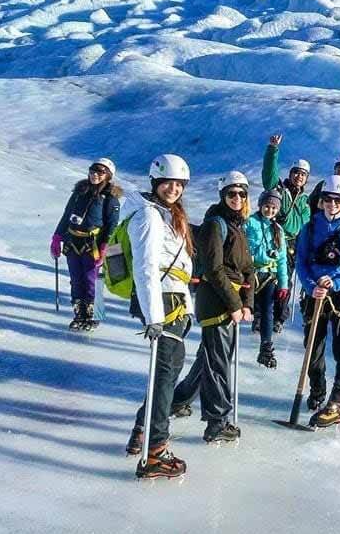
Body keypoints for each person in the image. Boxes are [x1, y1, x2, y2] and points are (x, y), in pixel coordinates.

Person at [170, 171, 254, 443]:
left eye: (242, 193)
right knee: (217, 362)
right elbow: (214, 268)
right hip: (216, 301)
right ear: (223, 195)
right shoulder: (215, 224)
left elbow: (248, 269)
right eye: (232, 193)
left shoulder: (238, 225)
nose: (237, 198)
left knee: (210, 357)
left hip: (231, 300)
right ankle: (216, 422)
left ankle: (180, 398)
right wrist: (234, 304)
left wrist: (248, 304)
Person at [123, 154, 194, 478]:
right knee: (165, 377)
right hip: (162, 306)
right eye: (168, 182)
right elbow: (146, 268)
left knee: (167, 372)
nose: (174, 189)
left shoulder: (168, 215)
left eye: (179, 184)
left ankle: (143, 429)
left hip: (173, 303)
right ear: (155, 182)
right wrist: (155, 317)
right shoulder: (149, 217)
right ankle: (155, 451)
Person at [295, 175, 340, 428]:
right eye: (327, 199)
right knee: (313, 345)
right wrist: (312, 286)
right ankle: (317, 389)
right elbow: (300, 262)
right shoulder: (310, 227)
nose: (332, 204)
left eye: (337, 200)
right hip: (315, 295)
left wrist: (335, 283)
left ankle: (337, 402)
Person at [50, 158, 121, 330]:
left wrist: (105, 246)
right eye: (92, 170)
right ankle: (79, 315)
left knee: (93, 281)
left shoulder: (110, 198)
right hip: (73, 242)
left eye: (100, 172)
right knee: (76, 280)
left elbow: (112, 225)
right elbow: (67, 215)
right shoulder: (78, 193)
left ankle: (94, 316)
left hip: (94, 245)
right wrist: (57, 237)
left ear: (108, 176)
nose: (95, 174)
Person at [261, 134, 311, 333]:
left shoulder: (304, 200)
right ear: (290, 174)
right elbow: (268, 176)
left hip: (291, 245)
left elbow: (305, 223)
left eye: (303, 174)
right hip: (273, 239)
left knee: (285, 280)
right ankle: (261, 314)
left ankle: (279, 316)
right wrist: (273, 150)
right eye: (296, 173)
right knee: (266, 276)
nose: (299, 177)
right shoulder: (279, 190)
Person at [245, 189, 289, 368]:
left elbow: (282, 258)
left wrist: (283, 283)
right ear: (260, 205)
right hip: (250, 274)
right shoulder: (249, 222)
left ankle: (266, 347)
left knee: (269, 310)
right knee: (249, 308)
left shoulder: (278, 230)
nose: (270, 210)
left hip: (269, 276)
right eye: (267, 206)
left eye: (273, 208)